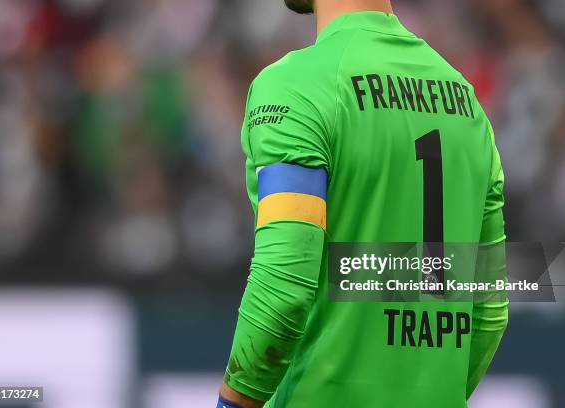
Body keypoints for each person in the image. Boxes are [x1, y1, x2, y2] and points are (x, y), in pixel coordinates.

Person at [218, 1, 509, 406]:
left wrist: (233, 403)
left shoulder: (296, 84)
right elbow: (489, 311)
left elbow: (283, 285)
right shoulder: (467, 101)